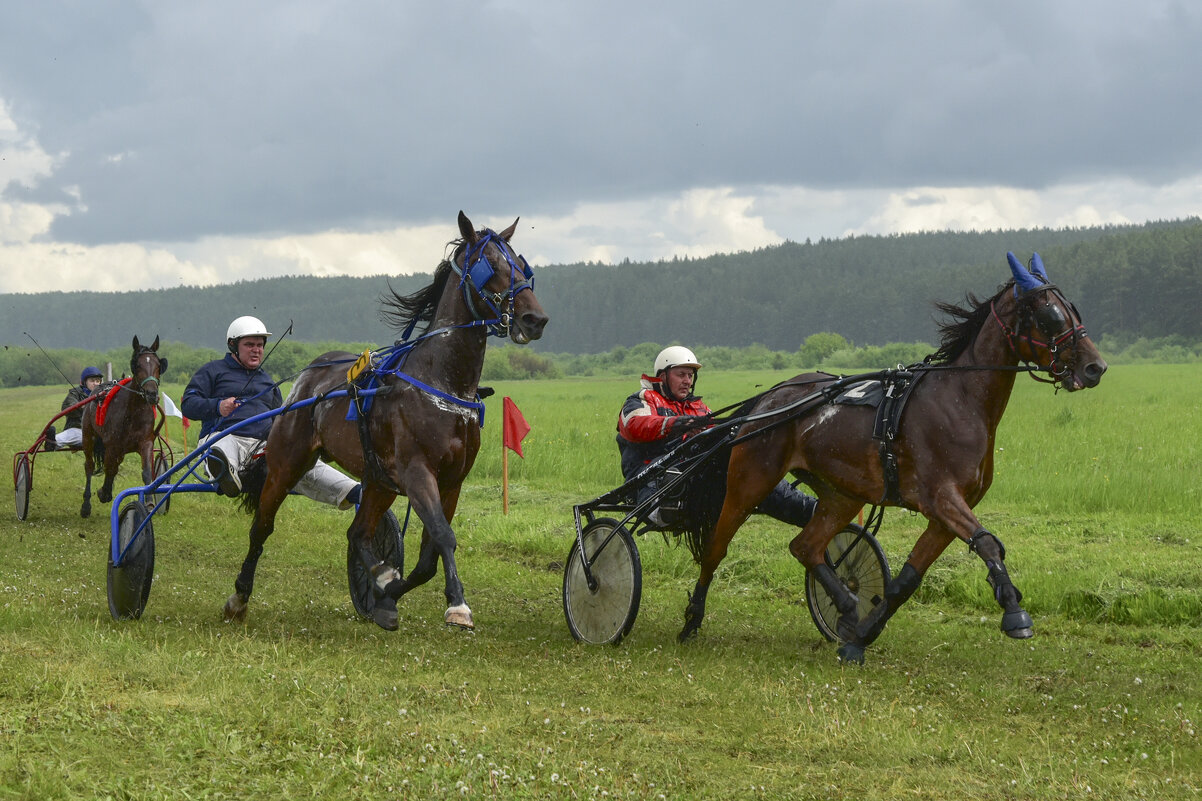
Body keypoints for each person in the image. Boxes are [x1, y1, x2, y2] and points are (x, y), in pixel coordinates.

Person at [616, 345, 818, 529]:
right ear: (663, 377)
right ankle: (660, 508)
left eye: (690, 375)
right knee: (676, 470)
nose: (687, 381)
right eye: (681, 375)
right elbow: (633, 426)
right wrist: (678, 424)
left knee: (747, 466)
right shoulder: (642, 399)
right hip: (647, 475)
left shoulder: (698, 408)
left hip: (692, 473)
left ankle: (808, 510)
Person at [181, 315, 361, 508]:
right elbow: (189, 404)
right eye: (249, 345)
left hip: (263, 447)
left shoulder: (268, 382)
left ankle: (352, 491)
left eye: (260, 345)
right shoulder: (212, 371)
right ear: (233, 345)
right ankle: (224, 474)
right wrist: (218, 406)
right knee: (222, 447)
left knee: (298, 457)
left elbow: (281, 422)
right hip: (223, 436)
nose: (256, 350)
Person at [44, 366, 104, 451]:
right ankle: (52, 443)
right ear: (84, 382)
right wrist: (84, 407)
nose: (95, 383)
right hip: (79, 429)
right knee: (72, 434)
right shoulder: (75, 393)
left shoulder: (104, 395)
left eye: (97, 381)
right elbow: (68, 406)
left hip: (99, 433)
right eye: (92, 381)